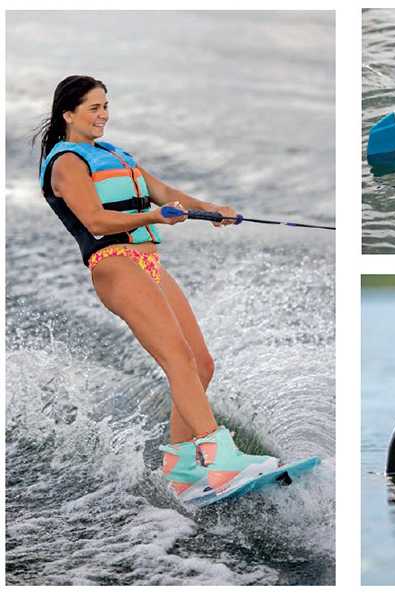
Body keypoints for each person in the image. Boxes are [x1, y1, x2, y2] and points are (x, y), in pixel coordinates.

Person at [35, 75, 279, 496]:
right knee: (178, 359)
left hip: (148, 263)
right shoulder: (67, 163)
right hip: (113, 264)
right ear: (68, 114)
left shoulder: (112, 153)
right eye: (94, 108)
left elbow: (163, 191)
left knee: (202, 364)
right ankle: (222, 459)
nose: (103, 115)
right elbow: (95, 220)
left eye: (106, 106)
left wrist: (211, 209)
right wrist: (154, 217)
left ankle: (182, 466)